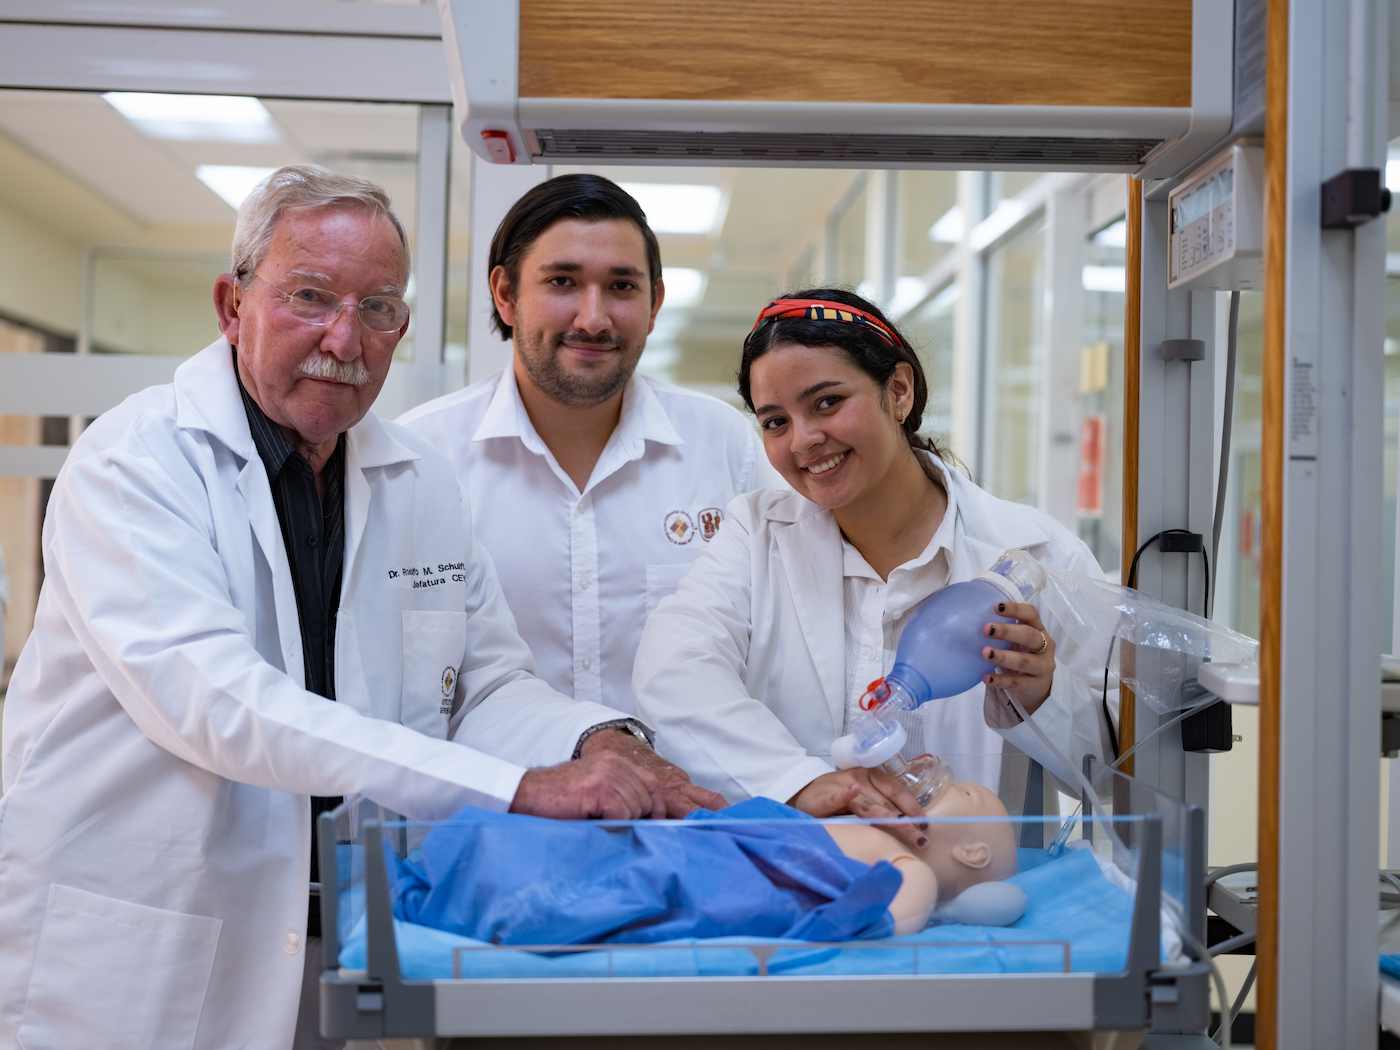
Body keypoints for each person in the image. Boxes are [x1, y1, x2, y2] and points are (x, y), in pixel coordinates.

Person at [0, 165, 716, 1050]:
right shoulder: (137, 463)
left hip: (348, 933)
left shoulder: (417, 479)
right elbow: (217, 701)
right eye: (309, 296)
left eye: (378, 308)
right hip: (151, 939)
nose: (345, 337)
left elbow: (486, 680)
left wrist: (594, 743)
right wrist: (521, 787)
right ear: (232, 305)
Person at [633, 289, 1114, 843]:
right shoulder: (755, 536)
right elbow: (671, 672)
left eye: (827, 402)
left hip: (973, 900)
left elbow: (1108, 773)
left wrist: (1040, 700)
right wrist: (800, 783)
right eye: (775, 422)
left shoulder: (1038, 554)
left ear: (899, 391)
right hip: (810, 893)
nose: (804, 440)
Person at [399, 174, 782, 722]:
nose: (593, 318)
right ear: (506, 294)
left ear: (655, 304)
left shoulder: (726, 447)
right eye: (562, 282)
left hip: (693, 802)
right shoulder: (423, 458)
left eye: (622, 286)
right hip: (496, 801)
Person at [391, 770, 1015, 946]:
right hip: (724, 842)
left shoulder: (904, 871)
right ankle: (471, 865)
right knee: (611, 851)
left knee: (619, 874)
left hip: (725, 872)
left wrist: (929, 913)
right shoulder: (875, 832)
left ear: (972, 849)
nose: (928, 784)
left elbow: (883, 919)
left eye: (956, 792)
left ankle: (473, 878)